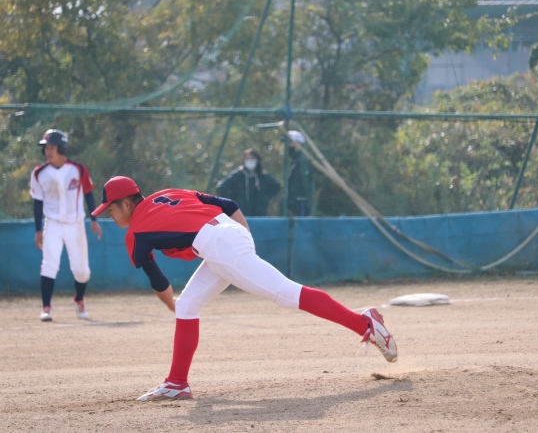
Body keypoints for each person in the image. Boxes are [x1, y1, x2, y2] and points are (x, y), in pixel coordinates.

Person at [92, 176, 397, 401]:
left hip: (219, 246)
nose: (110, 215)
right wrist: (242, 239)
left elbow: (158, 280)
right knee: (188, 305)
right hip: (226, 235)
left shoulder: (136, 232)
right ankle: (177, 383)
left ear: (127, 204)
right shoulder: (167, 193)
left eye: (111, 209)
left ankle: (366, 324)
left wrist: (170, 305)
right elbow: (228, 204)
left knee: (286, 294)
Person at [30, 129, 103, 322]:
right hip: (52, 224)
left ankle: (79, 299)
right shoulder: (39, 173)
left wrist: (94, 219)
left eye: (52, 147)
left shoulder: (78, 169)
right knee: (49, 265)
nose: (48, 151)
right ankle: (46, 307)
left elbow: (88, 193)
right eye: (46, 148)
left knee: (82, 271)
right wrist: (38, 230)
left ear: (62, 148)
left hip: (75, 225)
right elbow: (37, 202)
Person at [215, 149, 280, 216]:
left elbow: (277, 187)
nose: (249, 161)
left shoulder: (263, 175)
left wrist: (265, 198)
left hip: (259, 213)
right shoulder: (238, 175)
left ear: (257, 160)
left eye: (252, 158)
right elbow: (221, 187)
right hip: (240, 213)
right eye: (247, 158)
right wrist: (233, 200)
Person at [286, 131, 314, 216]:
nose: (288, 145)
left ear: (299, 144)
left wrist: (292, 204)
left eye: (290, 142)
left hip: (301, 204)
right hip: (295, 204)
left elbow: (302, 185)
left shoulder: (303, 161)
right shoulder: (295, 161)